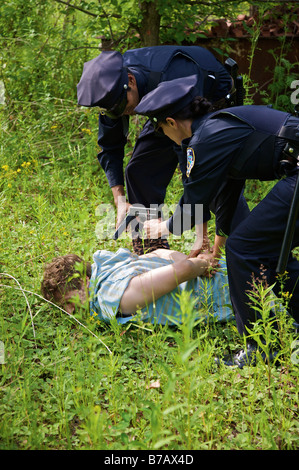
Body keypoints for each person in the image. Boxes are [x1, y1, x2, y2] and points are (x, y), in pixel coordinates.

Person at [134, 74, 299, 366]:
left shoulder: (205, 141)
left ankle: (260, 349)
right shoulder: (218, 126)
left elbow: (193, 203)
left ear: (171, 122)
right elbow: (228, 191)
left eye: (161, 129)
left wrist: (163, 226)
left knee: (245, 248)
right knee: (270, 250)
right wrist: (214, 244)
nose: (165, 136)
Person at [77, 46, 249, 255]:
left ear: (130, 81)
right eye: (115, 111)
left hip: (206, 103)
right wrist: (120, 199)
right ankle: (152, 252)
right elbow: (110, 145)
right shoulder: (114, 90)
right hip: (163, 110)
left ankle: (247, 250)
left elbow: (192, 169)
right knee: (139, 171)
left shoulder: (171, 77)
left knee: (216, 181)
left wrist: (200, 237)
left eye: (123, 104)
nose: (122, 112)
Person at [41, 247, 233, 326]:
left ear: (84, 282)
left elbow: (183, 269)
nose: (69, 311)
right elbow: (160, 253)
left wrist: (202, 264)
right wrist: (193, 262)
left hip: (226, 291)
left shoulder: (118, 296)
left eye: (68, 301)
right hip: (227, 268)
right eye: (63, 307)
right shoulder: (109, 266)